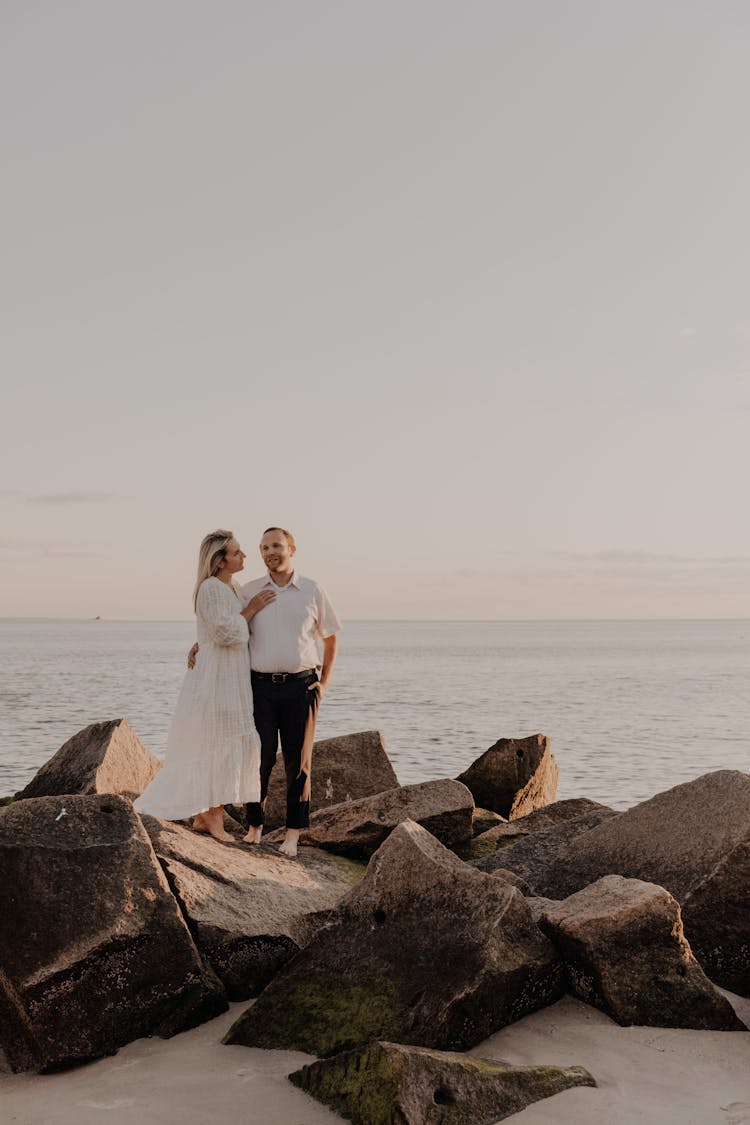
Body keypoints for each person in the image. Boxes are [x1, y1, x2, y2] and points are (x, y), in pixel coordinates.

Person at [189, 526, 340, 856]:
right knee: (257, 759)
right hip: (259, 688)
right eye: (263, 547)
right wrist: (200, 645)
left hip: (302, 687)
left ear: (292, 549)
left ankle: (293, 833)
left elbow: (330, 638)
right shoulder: (249, 590)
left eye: (276, 545)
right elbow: (225, 623)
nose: (269, 551)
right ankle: (255, 826)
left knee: (298, 764)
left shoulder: (312, 590)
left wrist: (323, 684)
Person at [135, 530, 274, 841]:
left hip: (232, 674)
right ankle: (210, 816)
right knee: (217, 741)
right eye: (237, 553)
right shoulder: (211, 587)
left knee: (229, 743)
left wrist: (201, 640)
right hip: (216, 677)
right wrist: (251, 610)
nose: (244, 557)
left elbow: (216, 628)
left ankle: (209, 814)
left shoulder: (233, 586)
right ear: (220, 559)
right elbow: (227, 632)